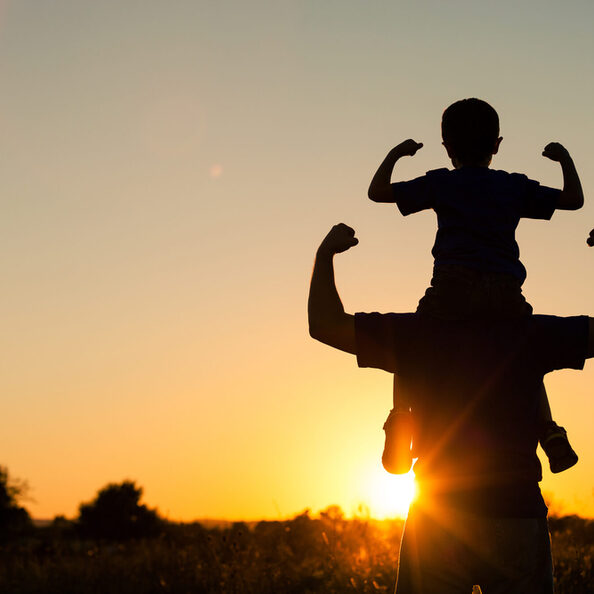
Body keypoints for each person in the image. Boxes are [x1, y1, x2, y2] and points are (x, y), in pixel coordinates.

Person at [308, 223, 593, 593]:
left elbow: (325, 324)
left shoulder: (417, 334)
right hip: (517, 510)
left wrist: (325, 255)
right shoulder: (530, 334)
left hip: (438, 516)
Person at [368, 98, 584, 474]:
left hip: (453, 286)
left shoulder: (442, 182)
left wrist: (397, 154)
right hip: (504, 291)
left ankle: (402, 418)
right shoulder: (512, 186)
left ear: (446, 146)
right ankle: (548, 429)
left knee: (406, 344)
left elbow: (378, 192)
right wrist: (565, 159)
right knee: (527, 357)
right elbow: (573, 200)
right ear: (497, 145)